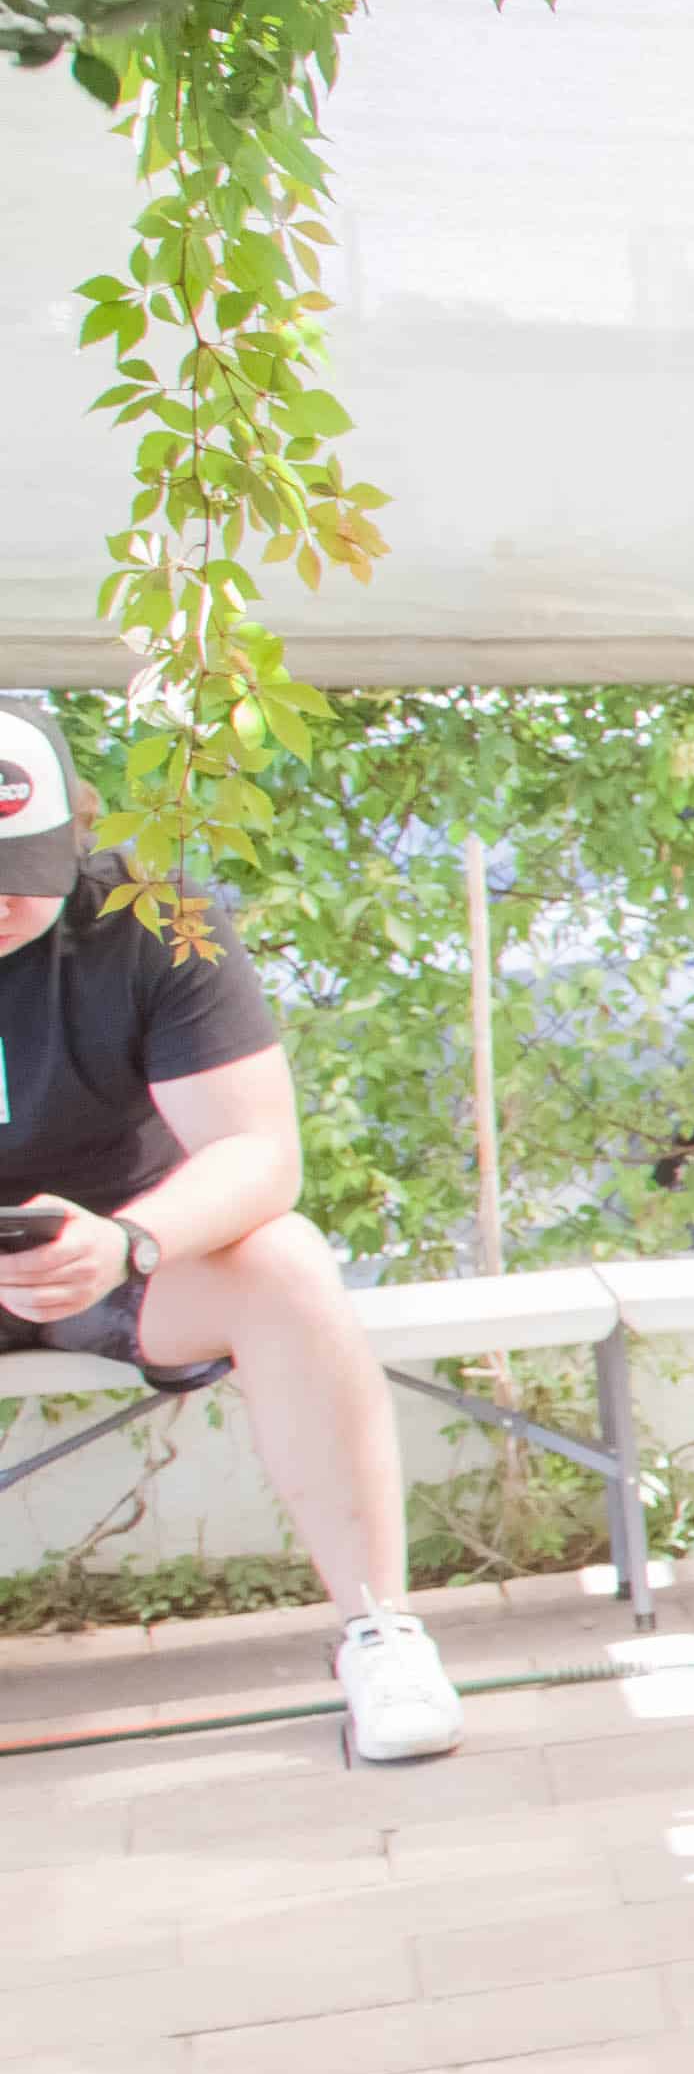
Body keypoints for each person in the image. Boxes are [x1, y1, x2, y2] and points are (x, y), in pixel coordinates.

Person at [0, 694, 459, 1764]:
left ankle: (380, 1632)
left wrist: (128, 1242)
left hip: (127, 1255)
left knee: (285, 1262)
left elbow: (258, 1154)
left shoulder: (159, 916)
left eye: (19, 865)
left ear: (81, 823)